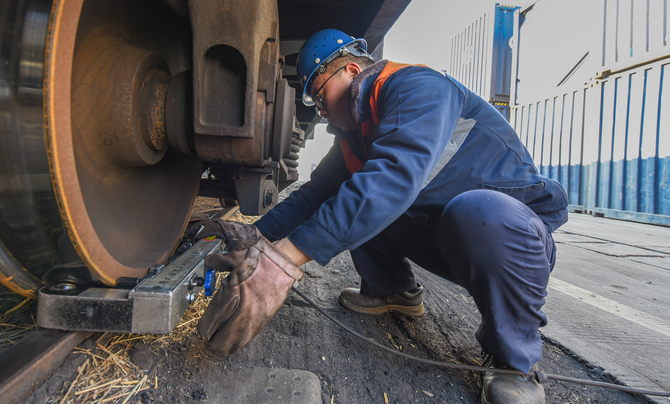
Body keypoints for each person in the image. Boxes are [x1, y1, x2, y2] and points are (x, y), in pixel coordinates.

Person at [189, 29, 568, 404]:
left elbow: (393, 178)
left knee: (465, 209)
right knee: (353, 197)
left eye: (320, 94)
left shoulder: (419, 86)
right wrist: (255, 235)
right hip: (446, 233)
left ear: (352, 70)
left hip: (509, 240)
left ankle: (515, 363)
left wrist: (282, 263)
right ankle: (392, 289)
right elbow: (314, 196)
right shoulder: (357, 135)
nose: (319, 111)